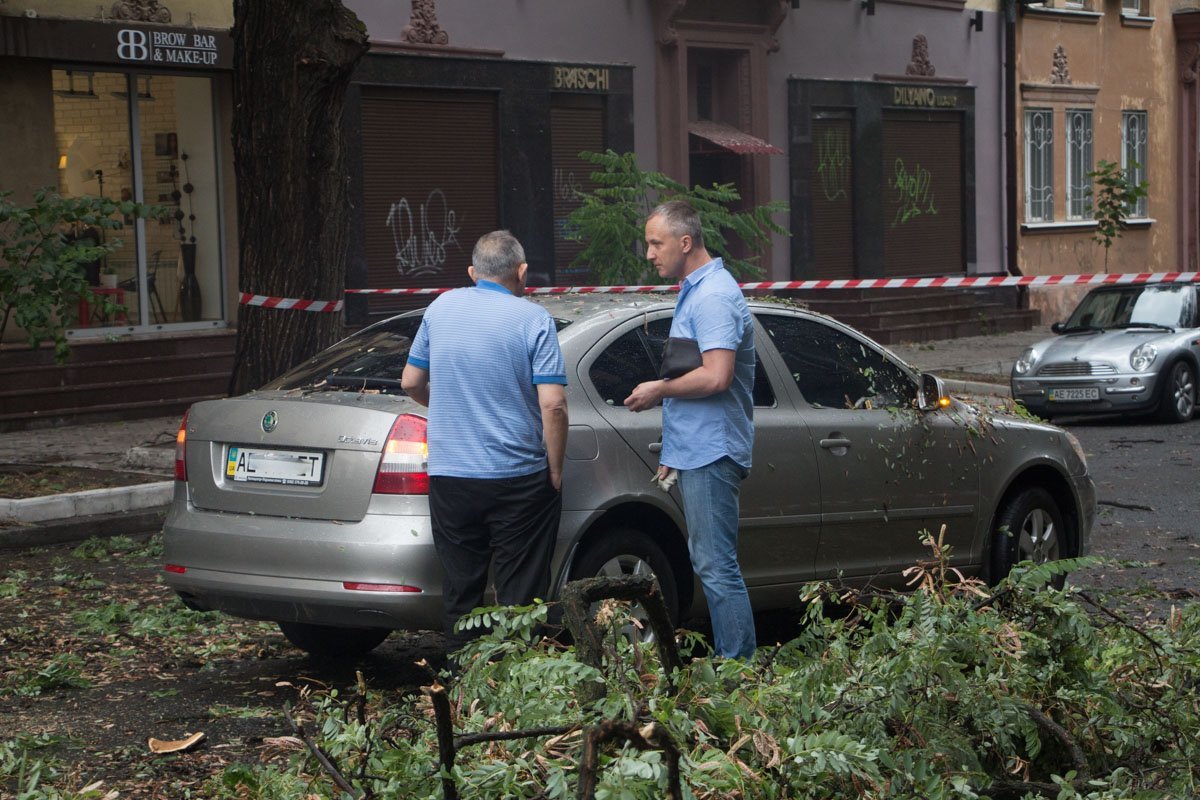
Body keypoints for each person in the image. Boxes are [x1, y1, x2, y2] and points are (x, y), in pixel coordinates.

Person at [401, 230, 569, 655]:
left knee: (461, 590)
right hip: (519, 479)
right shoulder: (533, 319)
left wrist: (449, 407)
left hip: (451, 476)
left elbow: (411, 382)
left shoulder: (440, 308)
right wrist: (555, 467)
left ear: (474, 273)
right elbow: (554, 406)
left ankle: (463, 691)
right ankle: (513, 687)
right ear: (522, 271)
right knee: (521, 592)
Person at [624, 200, 756, 660]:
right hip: (696, 449)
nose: (649, 253)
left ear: (685, 242)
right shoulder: (696, 289)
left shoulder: (714, 294)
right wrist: (673, 451)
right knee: (712, 564)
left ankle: (739, 673)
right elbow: (691, 369)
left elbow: (717, 376)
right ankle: (736, 669)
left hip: (713, 450)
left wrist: (658, 390)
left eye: (656, 243)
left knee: (717, 567)